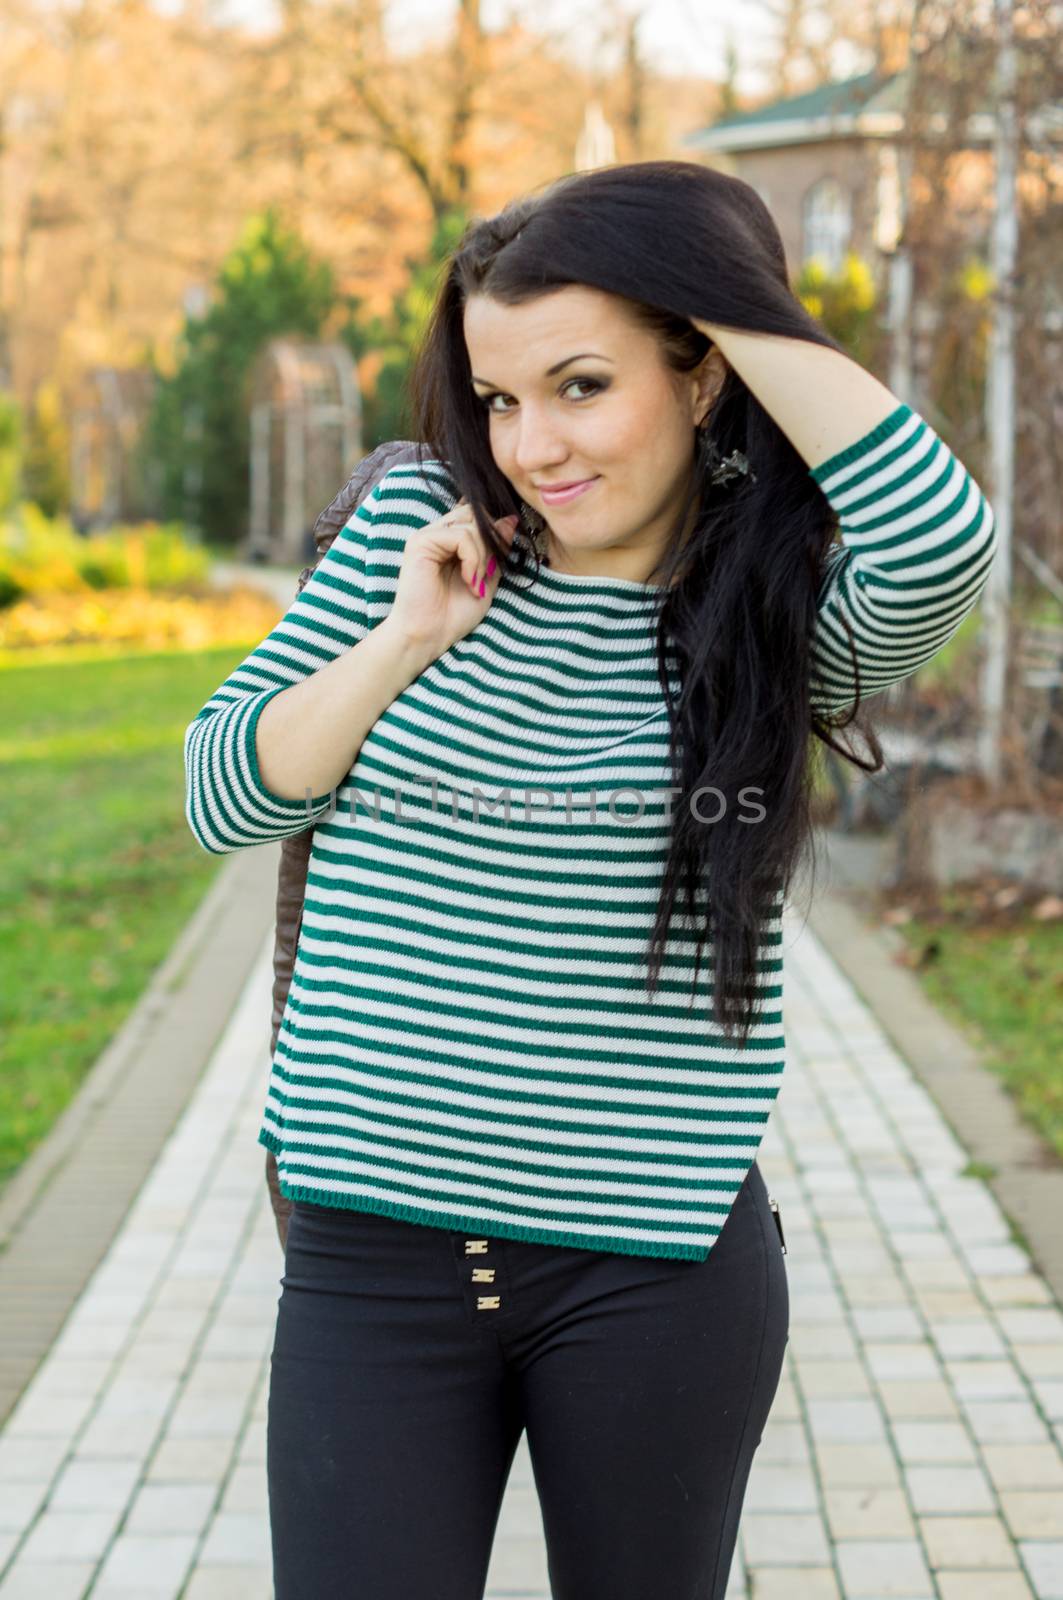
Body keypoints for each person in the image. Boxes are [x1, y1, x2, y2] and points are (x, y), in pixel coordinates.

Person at [182, 160, 997, 1600]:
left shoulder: (777, 612)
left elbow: (944, 543)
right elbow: (223, 789)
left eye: (580, 386)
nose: (530, 446)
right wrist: (398, 645)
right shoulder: (409, 536)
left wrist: (733, 301)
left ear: (701, 378)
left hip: (654, 1277)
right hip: (372, 1260)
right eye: (500, 399)